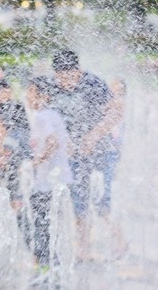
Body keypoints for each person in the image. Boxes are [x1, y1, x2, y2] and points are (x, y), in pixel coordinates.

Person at [50, 49, 125, 261]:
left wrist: (94, 136)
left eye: (70, 77)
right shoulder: (54, 88)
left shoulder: (94, 84)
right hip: (74, 155)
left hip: (101, 151)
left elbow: (116, 112)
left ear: (78, 70)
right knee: (79, 202)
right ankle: (84, 249)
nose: (66, 82)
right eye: (61, 78)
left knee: (102, 202)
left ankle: (120, 241)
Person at [25, 75, 73, 277]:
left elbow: (53, 142)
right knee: (50, 223)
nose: (28, 97)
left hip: (47, 183)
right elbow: (67, 145)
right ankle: (53, 266)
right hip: (59, 179)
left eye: (32, 93)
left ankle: (45, 267)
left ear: (43, 96)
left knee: (40, 224)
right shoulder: (54, 114)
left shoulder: (42, 117)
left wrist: (37, 161)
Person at [0, 78, 33, 250]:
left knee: (16, 203)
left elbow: (23, 136)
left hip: (13, 163)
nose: (4, 96)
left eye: (6, 92)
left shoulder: (18, 108)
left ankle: (25, 246)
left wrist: (13, 158)